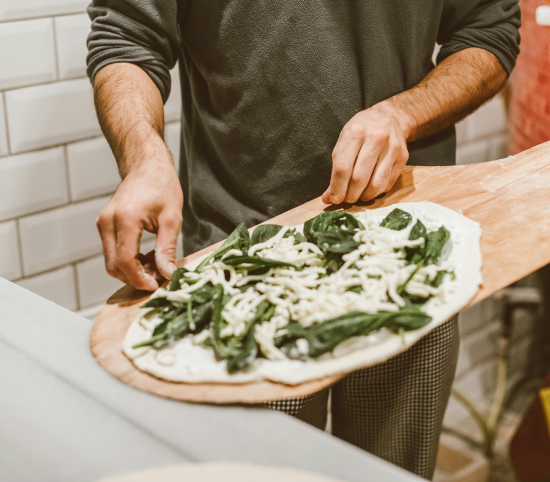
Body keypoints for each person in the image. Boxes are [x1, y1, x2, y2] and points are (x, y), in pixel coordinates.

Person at [87, 1, 520, 479]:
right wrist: (145, 156)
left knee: (392, 472)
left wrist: (402, 114)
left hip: (408, 252)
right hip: (243, 264)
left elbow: (489, 32)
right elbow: (128, 37)